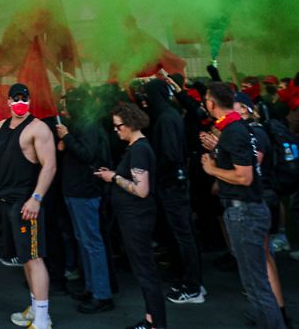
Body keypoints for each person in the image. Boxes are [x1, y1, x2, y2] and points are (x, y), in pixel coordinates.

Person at [200, 82, 284, 328]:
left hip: (244, 212)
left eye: (206, 99)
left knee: (256, 285)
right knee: (255, 282)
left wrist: (211, 168)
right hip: (246, 211)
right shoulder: (234, 129)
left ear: (212, 103)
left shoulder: (234, 131)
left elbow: (244, 177)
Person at [0, 83, 57, 329]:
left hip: (26, 204)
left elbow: (49, 166)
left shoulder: (38, 128)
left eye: (24, 97)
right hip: (6, 201)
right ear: (8, 101)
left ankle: (43, 320)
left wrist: (36, 198)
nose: (20, 101)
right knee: (25, 259)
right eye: (15, 98)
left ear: (30, 99)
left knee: (34, 259)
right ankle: (35, 309)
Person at [95, 102, 166, 329]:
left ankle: (156, 324)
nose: (116, 130)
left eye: (118, 126)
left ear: (131, 124)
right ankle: (152, 319)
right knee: (144, 271)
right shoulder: (138, 148)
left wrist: (114, 177)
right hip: (134, 217)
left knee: (146, 272)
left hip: (137, 217)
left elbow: (141, 189)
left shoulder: (139, 150)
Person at [144, 76, 205, 304]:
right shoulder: (169, 115)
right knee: (182, 233)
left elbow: (169, 154)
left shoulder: (165, 119)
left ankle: (193, 285)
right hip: (174, 183)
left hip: (172, 184)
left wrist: (155, 168)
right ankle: (189, 279)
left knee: (183, 234)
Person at [54, 88, 114, 314]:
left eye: (67, 103)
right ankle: (91, 287)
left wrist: (66, 137)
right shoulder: (82, 124)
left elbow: (87, 154)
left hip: (85, 192)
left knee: (91, 243)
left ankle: (101, 293)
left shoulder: (87, 125)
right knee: (84, 241)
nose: (64, 108)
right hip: (75, 191)